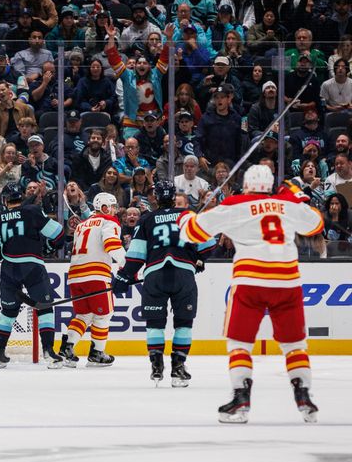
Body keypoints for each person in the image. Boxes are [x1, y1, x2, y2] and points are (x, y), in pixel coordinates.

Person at [178, 166, 325, 424]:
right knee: (294, 345)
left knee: (239, 343)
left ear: (246, 185)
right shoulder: (287, 204)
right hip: (287, 282)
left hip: (250, 282)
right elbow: (316, 224)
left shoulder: (235, 204)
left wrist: (186, 218)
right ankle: (304, 397)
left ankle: (241, 398)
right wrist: (297, 196)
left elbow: (191, 233)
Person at [112, 180, 215, 387]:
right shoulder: (188, 216)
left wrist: (123, 277)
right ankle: (178, 368)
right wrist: (197, 257)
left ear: (156, 197)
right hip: (183, 275)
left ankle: (156, 366)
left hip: (155, 276)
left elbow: (136, 256)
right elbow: (208, 245)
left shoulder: (147, 219)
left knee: (155, 324)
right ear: (173, 195)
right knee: (184, 323)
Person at [0, 182, 64, 368]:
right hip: (32, 267)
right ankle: (49, 353)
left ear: (5, 200)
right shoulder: (32, 211)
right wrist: (49, 247)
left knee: (9, 312)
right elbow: (58, 234)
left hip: (9, 269)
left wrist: (0, 252)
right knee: (44, 308)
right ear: (20, 197)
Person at [60, 192, 126, 368]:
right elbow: (111, 244)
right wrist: (126, 264)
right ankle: (97, 352)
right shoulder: (109, 222)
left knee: (84, 314)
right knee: (104, 314)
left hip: (74, 276)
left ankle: (67, 347)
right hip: (96, 275)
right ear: (104, 208)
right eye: (112, 206)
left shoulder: (82, 225)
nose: (115, 210)